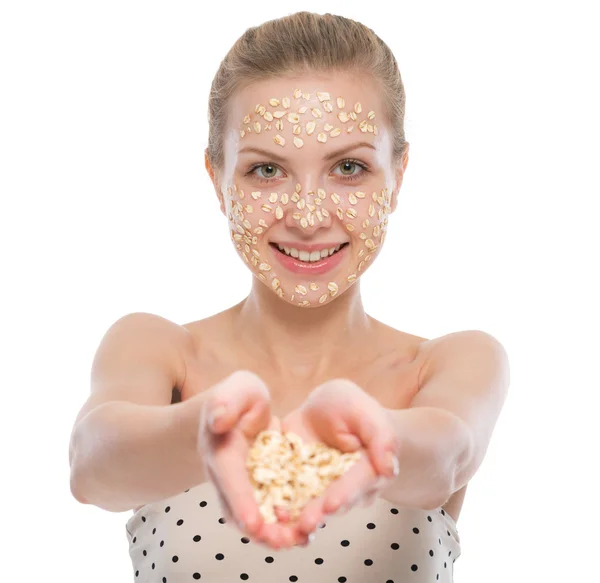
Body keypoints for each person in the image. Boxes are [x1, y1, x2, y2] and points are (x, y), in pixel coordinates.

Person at [69, 11, 509, 582]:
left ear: (397, 176)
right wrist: (205, 431)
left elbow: (448, 452)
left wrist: (366, 436)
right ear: (217, 180)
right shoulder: (158, 349)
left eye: (349, 167)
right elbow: (92, 465)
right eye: (266, 171)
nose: (306, 216)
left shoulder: (449, 362)